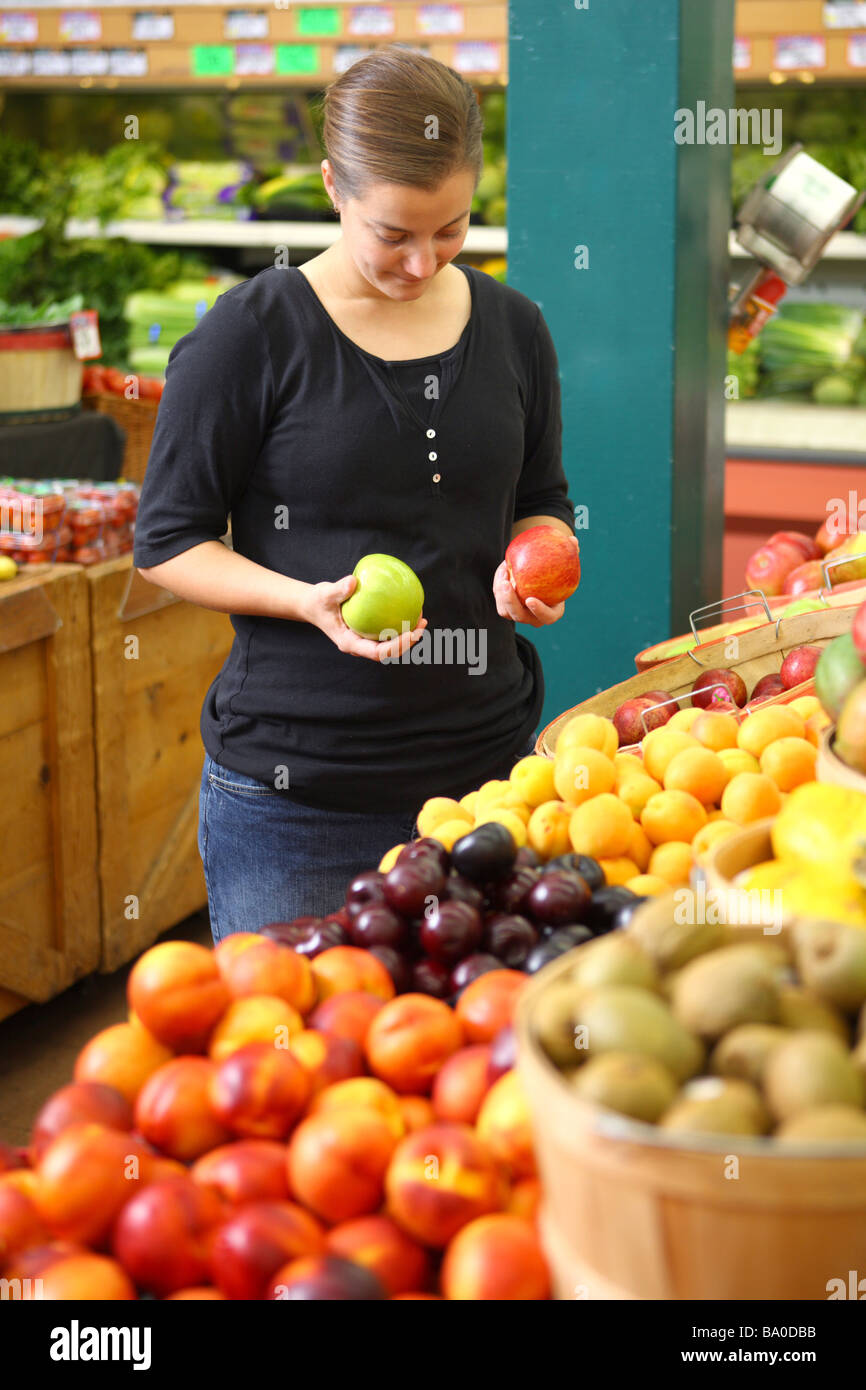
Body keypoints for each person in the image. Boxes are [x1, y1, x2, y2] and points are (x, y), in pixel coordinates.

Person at [134, 47, 577, 943]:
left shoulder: (515, 328)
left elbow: (541, 498)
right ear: (335, 188)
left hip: (486, 783)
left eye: (450, 229)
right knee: (287, 1063)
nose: (423, 262)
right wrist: (307, 602)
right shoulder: (249, 335)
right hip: (298, 800)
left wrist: (534, 574)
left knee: (463, 1069)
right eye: (393, 234)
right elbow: (169, 540)